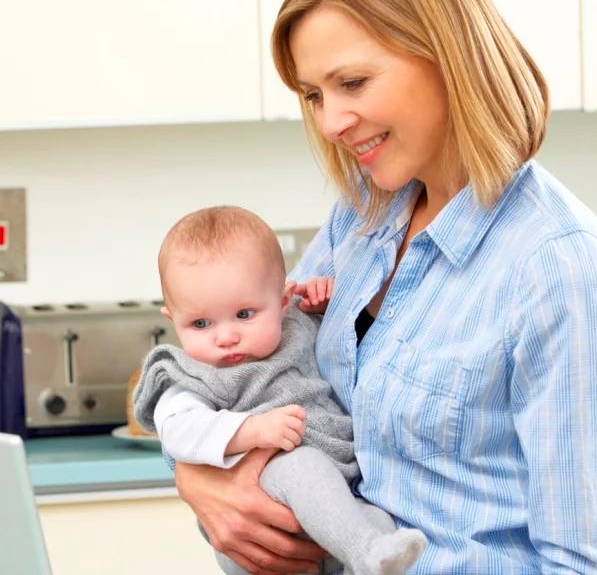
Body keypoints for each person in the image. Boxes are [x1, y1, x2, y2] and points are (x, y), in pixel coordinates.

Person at [171, 0, 597, 574]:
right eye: (313, 95)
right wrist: (197, 479)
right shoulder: (360, 219)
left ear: (444, 53)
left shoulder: (557, 266)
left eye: (352, 83)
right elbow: (239, 370)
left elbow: (588, 564)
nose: (331, 122)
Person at [132, 206, 425, 575]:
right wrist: (250, 431)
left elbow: (350, 342)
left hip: (334, 510)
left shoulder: (298, 328)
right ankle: (366, 551)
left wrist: (326, 306)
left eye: (244, 314)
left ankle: (370, 553)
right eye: (200, 323)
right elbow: (177, 431)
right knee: (301, 463)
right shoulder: (191, 375)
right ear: (172, 321)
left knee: (380, 524)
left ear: (284, 302)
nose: (225, 337)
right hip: (264, 517)